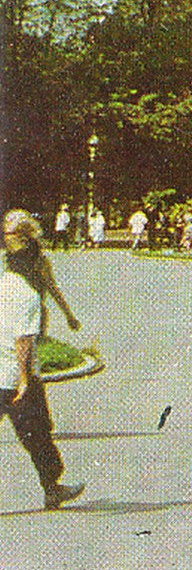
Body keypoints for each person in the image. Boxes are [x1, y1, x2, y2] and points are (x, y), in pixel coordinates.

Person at [1, 211, 85, 510]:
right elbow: (23, 341)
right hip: (14, 378)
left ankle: (52, 488)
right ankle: (52, 488)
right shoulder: (26, 296)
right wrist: (25, 380)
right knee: (38, 436)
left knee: (38, 433)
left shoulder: (3, 285)